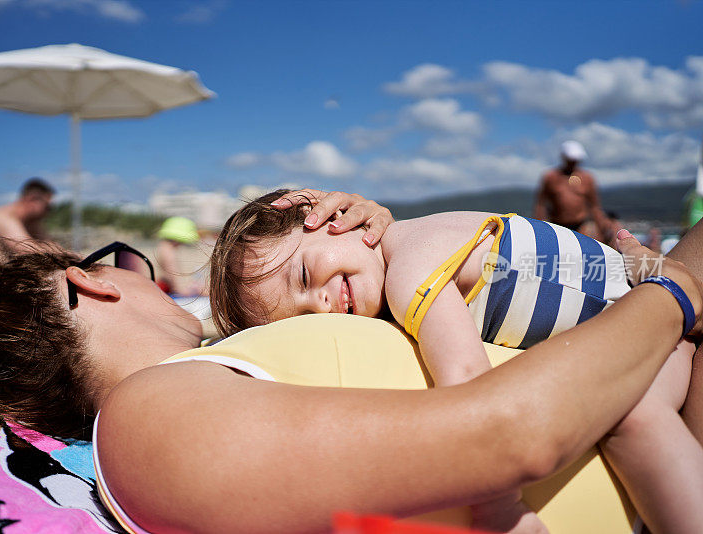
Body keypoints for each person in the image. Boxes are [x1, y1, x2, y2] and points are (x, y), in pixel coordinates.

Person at [0, 190, 702, 534]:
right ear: (91, 281)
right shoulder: (150, 421)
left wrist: (380, 233)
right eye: (127, 261)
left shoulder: (217, 380)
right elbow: (511, 436)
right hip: (655, 435)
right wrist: (678, 294)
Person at [209, 191, 698, 533]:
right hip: (640, 275)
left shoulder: (410, 275)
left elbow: (467, 381)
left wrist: (499, 510)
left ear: (328, 218)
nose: (320, 303)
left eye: (302, 275)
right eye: (301, 316)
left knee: (635, 418)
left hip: (652, 323)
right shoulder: (418, 233)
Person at [534, 141, 609, 237]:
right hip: (556, 225)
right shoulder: (550, 177)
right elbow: (541, 204)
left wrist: (602, 229)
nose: (573, 163)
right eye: (570, 160)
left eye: (575, 160)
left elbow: (594, 206)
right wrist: (538, 229)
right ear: (564, 158)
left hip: (580, 226)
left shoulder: (587, 178)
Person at [0, 177, 55, 259]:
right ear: (32, 199)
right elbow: (29, 251)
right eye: (48, 207)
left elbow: (51, 246)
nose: (48, 212)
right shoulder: (3, 217)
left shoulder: (30, 222)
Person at [154, 216, 204, 296]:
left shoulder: (163, 248)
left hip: (161, 290)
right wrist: (199, 291)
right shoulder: (169, 253)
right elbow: (179, 288)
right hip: (166, 294)